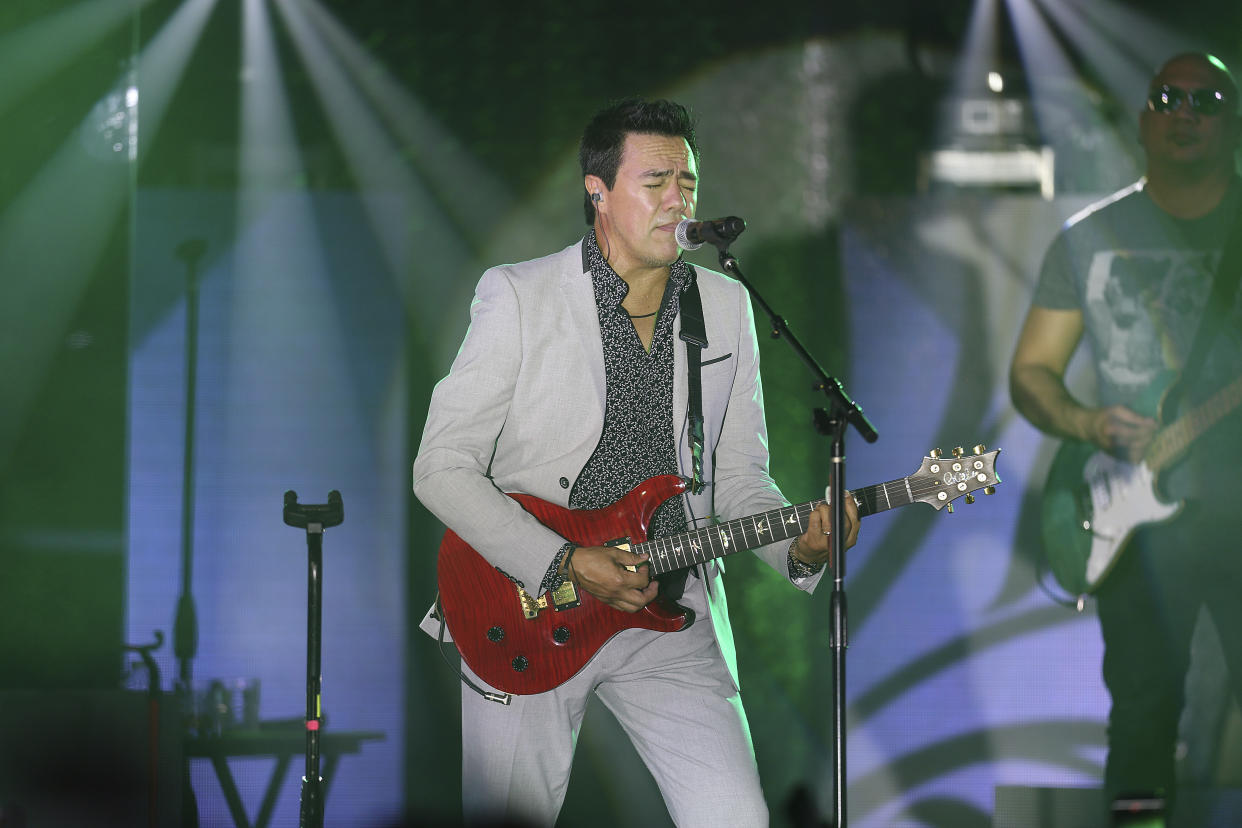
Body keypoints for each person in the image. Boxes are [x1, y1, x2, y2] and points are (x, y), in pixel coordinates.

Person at [412, 98, 860, 826]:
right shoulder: (521, 296)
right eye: (655, 181)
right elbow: (439, 467)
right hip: (527, 604)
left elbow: (740, 479)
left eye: (687, 181)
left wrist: (801, 545)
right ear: (598, 192)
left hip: (673, 608)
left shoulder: (724, 305)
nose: (678, 198)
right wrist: (563, 562)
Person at [1010, 52, 1242, 812]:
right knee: (1141, 721)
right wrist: (1087, 421)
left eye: (1207, 99)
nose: (1186, 111)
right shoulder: (1089, 237)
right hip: (1134, 522)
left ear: (1231, 120)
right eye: (1168, 97)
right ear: (1143, 118)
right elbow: (1032, 372)